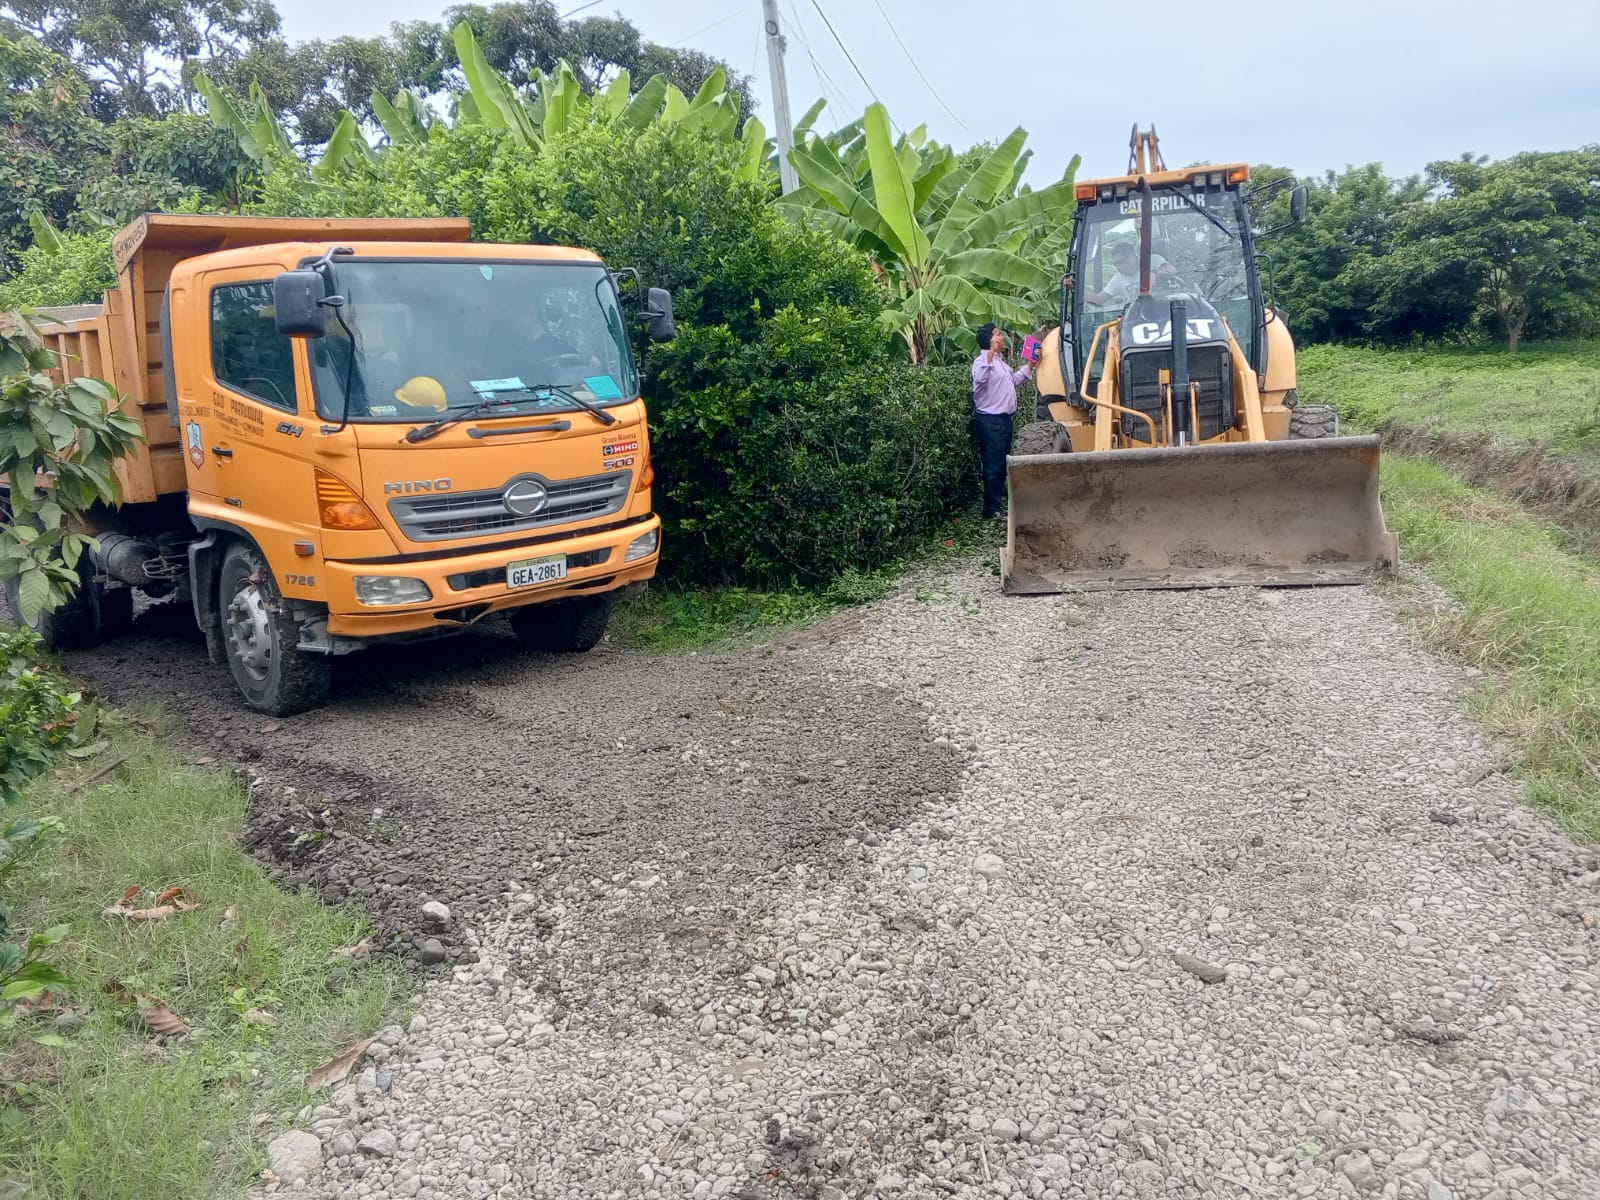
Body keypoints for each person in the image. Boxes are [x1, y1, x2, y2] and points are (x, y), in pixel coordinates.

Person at [971, 322, 1031, 520]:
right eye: (998, 334)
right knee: (993, 465)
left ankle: (996, 505)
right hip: (990, 421)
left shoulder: (1000, 363)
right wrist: (990, 351)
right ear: (990, 340)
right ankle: (991, 509)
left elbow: (1013, 380)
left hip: (1004, 420)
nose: (1002, 337)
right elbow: (980, 378)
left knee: (1001, 464)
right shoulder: (981, 361)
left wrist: (1030, 364)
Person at [1084, 241, 1177, 307]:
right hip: (1136, 316)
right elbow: (1099, 299)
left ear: (1132, 258)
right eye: (1115, 264)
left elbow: (1172, 271)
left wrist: (1154, 273)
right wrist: (1078, 291)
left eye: (1120, 262)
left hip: (1163, 307)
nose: (1117, 267)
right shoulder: (1118, 279)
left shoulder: (1152, 260)